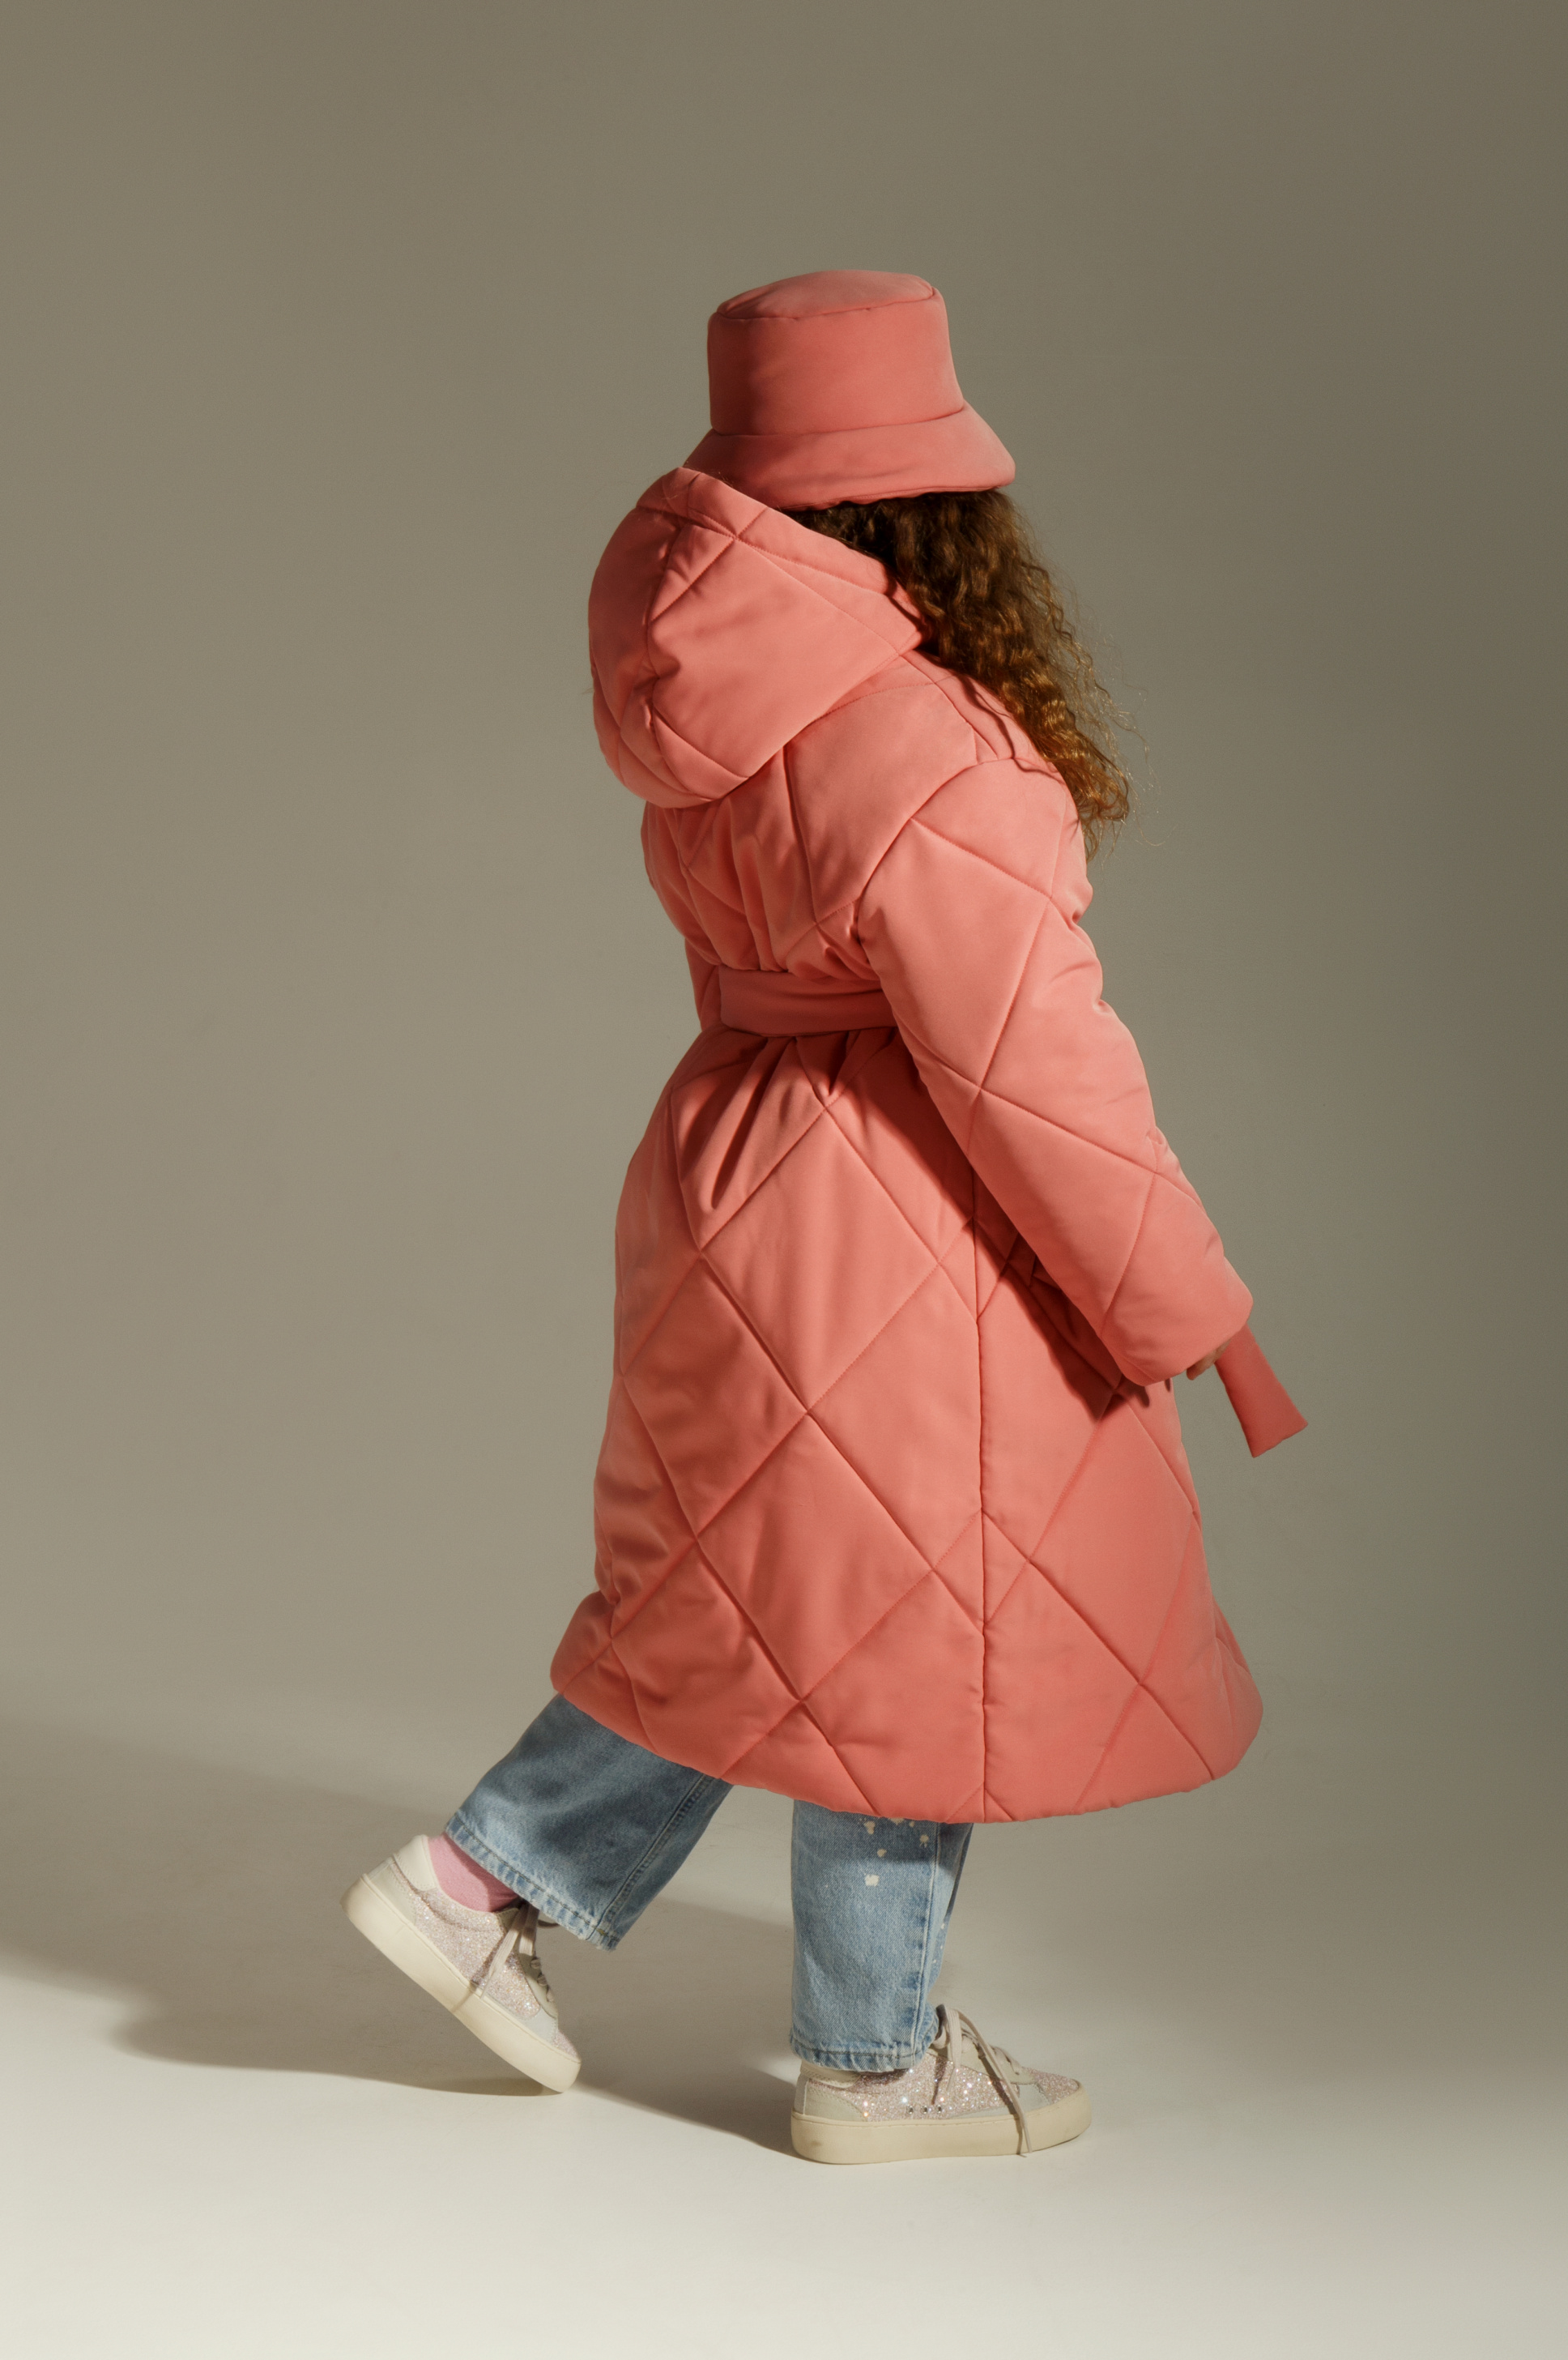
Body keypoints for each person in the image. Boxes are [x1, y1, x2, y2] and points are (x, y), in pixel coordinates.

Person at [343, 270, 1303, 2165]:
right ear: (941, 503)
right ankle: (867, 2061)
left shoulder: (713, 704)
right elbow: (1034, 1067)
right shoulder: (926, 739)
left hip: (730, 1169)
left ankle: (479, 1883)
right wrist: (1183, 1302)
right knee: (903, 1618)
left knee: (769, 1601)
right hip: (903, 1208)